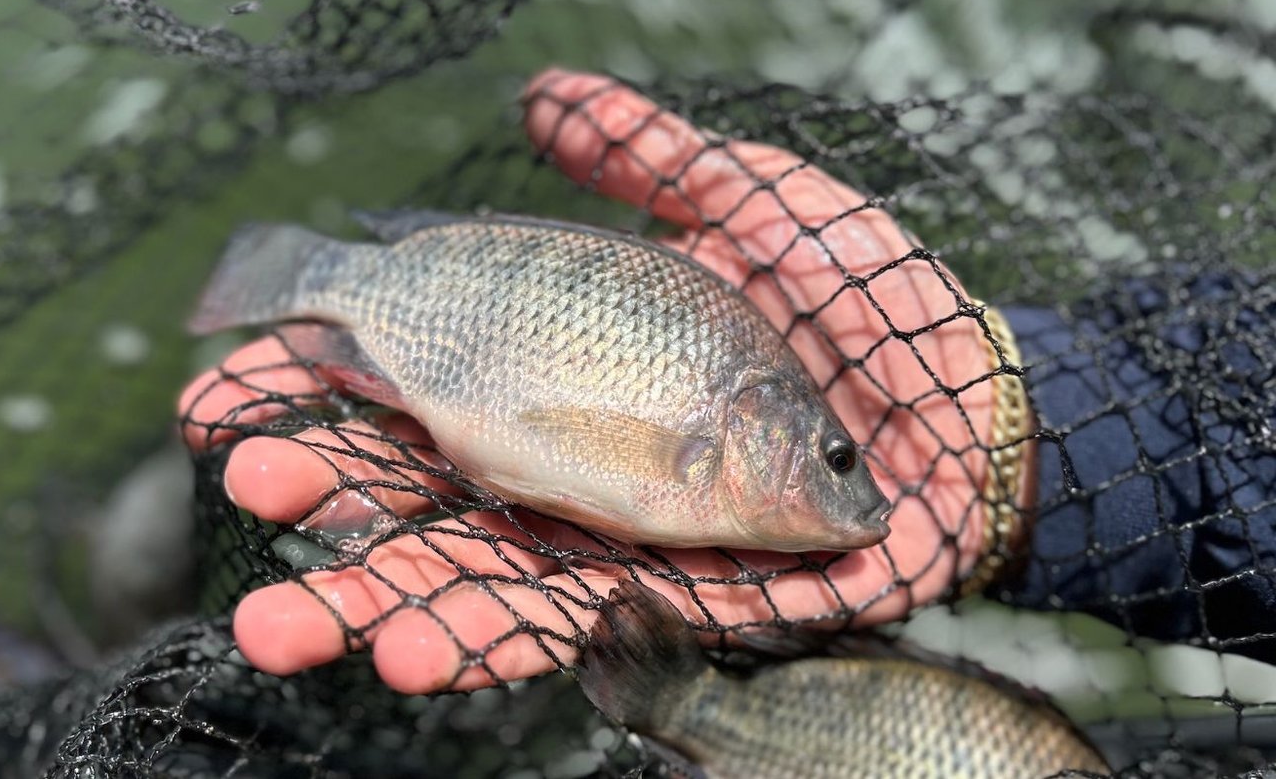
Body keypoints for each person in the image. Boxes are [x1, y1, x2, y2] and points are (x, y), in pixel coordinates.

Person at [176, 68, 1276, 694]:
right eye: (836, 459)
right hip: (410, 316)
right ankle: (302, 276)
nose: (853, 492)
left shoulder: (726, 460)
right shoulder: (701, 453)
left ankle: (293, 281)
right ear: (752, 421)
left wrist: (1036, 453)